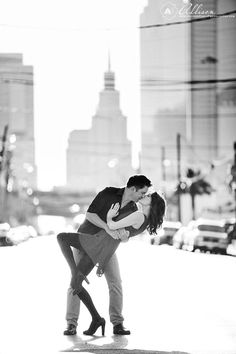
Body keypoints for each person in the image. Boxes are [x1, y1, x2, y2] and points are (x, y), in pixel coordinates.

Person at [57, 184, 166, 337]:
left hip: (105, 247)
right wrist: (113, 226)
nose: (141, 196)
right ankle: (71, 323)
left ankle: (117, 323)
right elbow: (94, 217)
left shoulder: (134, 210)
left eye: (144, 194)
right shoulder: (107, 198)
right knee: (74, 282)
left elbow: (127, 232)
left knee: (115, 283)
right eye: (141, 193)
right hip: (85, 239)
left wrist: (124, 235)